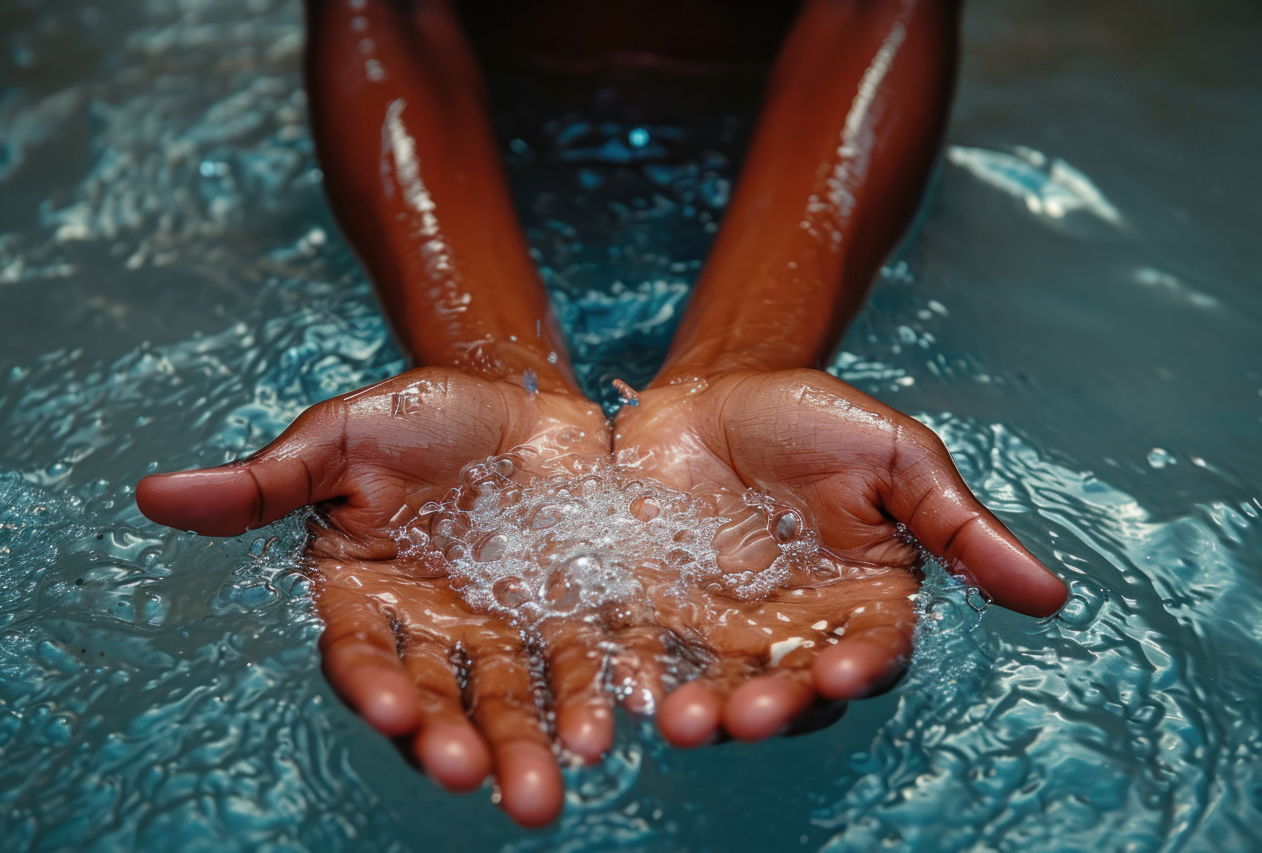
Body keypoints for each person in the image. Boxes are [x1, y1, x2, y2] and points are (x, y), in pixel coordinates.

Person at [136, 0, 1068, 828]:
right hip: (446, 119)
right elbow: (395, 16)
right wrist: (491, 363)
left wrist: (743, 359)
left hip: (819, 125)